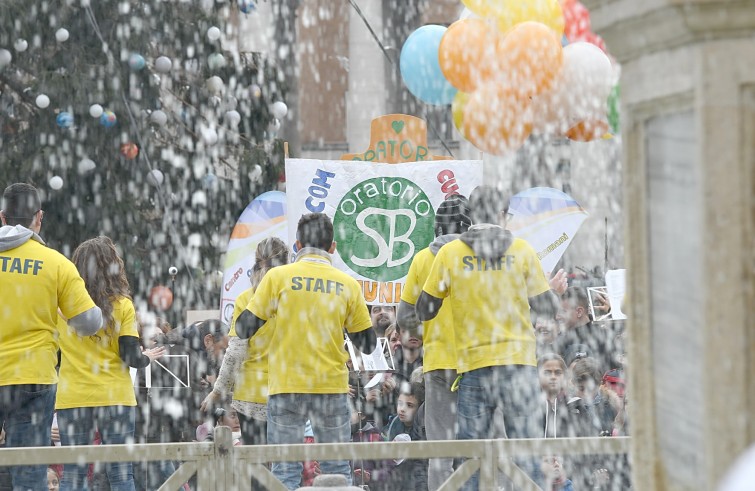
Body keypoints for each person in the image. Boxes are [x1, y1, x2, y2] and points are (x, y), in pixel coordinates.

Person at [416, 185, 559, 491]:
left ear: (470, 216)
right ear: (502, 214)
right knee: (525, 452)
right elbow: (547, 307)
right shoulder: (522, 250)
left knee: (474, 458)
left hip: (473, 366)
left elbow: (424, 310)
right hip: (518, 365)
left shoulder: (449, 254)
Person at [234, 212, 375, 490]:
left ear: (297, 246)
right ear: (332, 247)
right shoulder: (347, 285)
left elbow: (243, 329)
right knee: (337, 469)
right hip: (330, 388)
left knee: (285, 470)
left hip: (287, 387)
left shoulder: (278, 278)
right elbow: (368, 344)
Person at [0, 183, 102, 490]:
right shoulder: (56, 263)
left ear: (2, 217)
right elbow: (88, 323)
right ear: (39, 218)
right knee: (29, 471)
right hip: (33, 377)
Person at [56, 236, 165, 491]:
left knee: (73, 473)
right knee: (121, 473)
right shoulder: (122, 306)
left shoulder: (62, 307)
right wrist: (145, 357)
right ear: (112, 267)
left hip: (74, 397)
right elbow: (130, 356)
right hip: (115, 397)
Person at [397, 193, 471, 491]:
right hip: (475, 363)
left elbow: (404, 317)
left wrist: (430, 329)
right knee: (479, 445)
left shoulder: (423, 259)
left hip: (438, 364)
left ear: (436, 229)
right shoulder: (477, 256)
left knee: (440, 450)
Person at [557, 287, 614, 375]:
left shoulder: (604, 336)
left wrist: (612, 312)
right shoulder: (560, 339)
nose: (557, 317)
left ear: (579, 312)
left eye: (563, 311)